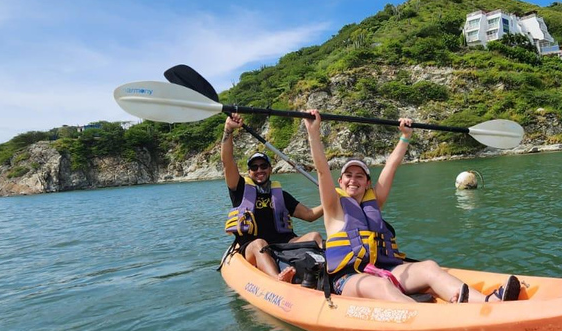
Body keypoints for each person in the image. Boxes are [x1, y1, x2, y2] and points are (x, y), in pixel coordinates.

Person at [303, 110, 520, 303]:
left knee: (429, 267)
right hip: (348, 278)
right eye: (348, 175)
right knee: (381, 285)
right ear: (340, 181)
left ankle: (487, 302)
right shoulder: (333, 206)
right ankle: (429, 321)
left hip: (385, 269)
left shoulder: (374, 202)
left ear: (367, 183)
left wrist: (405, 137)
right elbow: (322, 171)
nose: (353, 180)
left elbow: (391, 166)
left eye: (359, 176)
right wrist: (313, 133)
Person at [222, 113, 323, 282]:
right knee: (260, 243)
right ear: (249, 171)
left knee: (315, 236)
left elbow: (310, 215)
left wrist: (333, 200)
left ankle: (331, 270)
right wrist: (228, 130)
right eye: (254, 167)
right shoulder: (239, 189)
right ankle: (278, 279)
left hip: (283, 243)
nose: (259, 170)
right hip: (252, 247)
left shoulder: (280, 195)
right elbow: (227, 162)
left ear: (270, 169)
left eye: (263, 166)